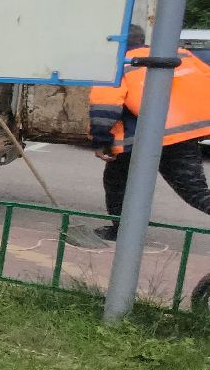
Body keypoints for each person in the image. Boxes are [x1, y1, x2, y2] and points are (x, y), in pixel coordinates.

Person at [79, 24, 210, 243]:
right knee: (195, 191)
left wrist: (100, 141)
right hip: (183, 136)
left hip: (140, 140)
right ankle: (123, 229)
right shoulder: (179, 54)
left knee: (117, 182)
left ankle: (121, 230)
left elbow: (106, 106)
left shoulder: (119, 63)